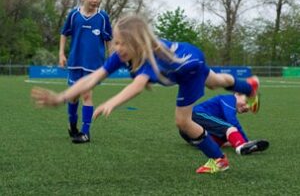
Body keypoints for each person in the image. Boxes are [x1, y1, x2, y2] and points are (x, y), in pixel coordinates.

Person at [32, 14, 259, 174]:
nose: (116, 47)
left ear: (137, 44)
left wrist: (112, 102)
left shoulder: (151, 57)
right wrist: (61, 97)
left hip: (189, 70)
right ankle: (249, 87)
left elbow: (138, 85)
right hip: (189, 56)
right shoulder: (124, 54)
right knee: (216, 82)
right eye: (116, 42)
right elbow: (93, 77)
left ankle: (219, 160)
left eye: (122, 43)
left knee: (183, 121)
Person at [59, 0, 112, 144]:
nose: (95, 0)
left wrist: (111, 58)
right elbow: (64, 33)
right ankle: (72, 124)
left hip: (93, 64)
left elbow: (108, 38)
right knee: (73, 97)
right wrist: (61, 53)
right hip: (75, 61)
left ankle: (86, 132)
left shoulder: (103, 17)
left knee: (87, 95)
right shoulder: (74, 15)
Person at [179, 93, 269, 156]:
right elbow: (232, 120)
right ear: (237, 94)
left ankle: (203, 143)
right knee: (231, 128)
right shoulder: (229, 99)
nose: (247, 107)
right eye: (246, 101)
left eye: (249, 108)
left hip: (190, 134)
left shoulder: (226, 107)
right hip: (194, 116)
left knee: (227, 138)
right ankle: (241, 146)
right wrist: (245, 140)